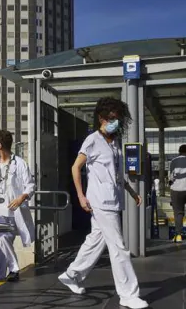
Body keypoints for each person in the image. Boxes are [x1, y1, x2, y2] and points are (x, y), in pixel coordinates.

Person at [57, 97, 148, 309]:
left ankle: (72, 275)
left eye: (118, 118)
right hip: (100, 201)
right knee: (118, 246)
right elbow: (75, 167)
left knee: (96, 241)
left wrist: (132, 192)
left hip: (113, 199)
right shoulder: (92, 140)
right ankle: (128, 294)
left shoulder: (114, 142)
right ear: (101, 117)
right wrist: (80, 195)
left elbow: (116, 174)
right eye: (112, 118)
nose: (115, 122)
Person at [0, 130, 35, 284]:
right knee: (3, 238)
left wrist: (21, 198)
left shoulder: (20, 163)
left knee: (4, 243)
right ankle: (14, 268)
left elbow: (30, 185)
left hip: (13, 211)